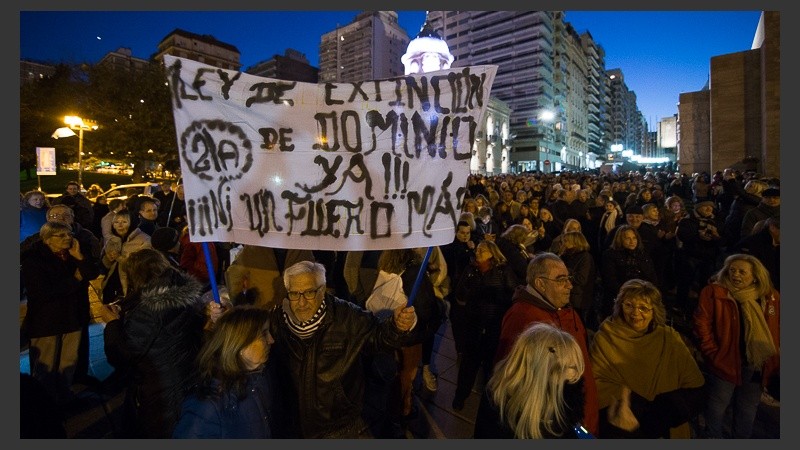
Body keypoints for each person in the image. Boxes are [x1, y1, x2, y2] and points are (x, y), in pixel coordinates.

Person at [257, 260, 418, 438]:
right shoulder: (275, 321)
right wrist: (220, 317)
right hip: (292, 427)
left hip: (340, 428)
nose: (301, 302)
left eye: (309, 292)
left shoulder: (348, 317)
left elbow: (379, 337)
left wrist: (397, 326)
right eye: (294, 293)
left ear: (323, 288)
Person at [98, 248, 208, 438]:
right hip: (186, 378)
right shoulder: (181, 291)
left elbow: (124, 354)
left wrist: (113, 323)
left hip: (163, 390)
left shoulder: (149, 309)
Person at [494, 252, 599, 436]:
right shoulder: (524, 319)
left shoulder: (565, 311)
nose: (570, 285)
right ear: (540, 283)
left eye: (569, 278)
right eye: (561, 280)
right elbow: (515, 383)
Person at [590, 279, 705, 438]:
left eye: (643, 308)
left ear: (654, 311)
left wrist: (660, 413)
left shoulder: (669, 338)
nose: (635, 313)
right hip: (623, 427)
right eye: (629, 305)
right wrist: (634, 404)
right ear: (619, 305)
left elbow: (694, 384)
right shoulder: (605, 337)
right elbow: (596, 381)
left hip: (665, 426)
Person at [693, 254, 780, 439]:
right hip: (725, 361)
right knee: (717, 406)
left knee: (747, 408)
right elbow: (702, 323)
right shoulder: (714, 292)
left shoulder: (770, 296)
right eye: (732, 270)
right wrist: (711, 352)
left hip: (756, 363)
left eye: (742, 271)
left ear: (755, 275)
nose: (736, 275)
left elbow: (778, 326)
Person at [172, 305, 285, 438]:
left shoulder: (260, 377)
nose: (271, 340)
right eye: (263, 334)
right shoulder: (207, 407)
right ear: (240, 344)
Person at [21, 221, 101, 407]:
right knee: (46, 367)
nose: (68, 238)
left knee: (68, 364)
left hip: (73, 318)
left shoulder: (73, 252)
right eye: (61, 236)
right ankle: (45, 406)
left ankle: (66, 400)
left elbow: (92, 273)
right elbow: (42, 293)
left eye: (69, 234)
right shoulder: (33, 260)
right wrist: (74, 280)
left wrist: (80, 257)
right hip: (46, 323)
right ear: (47, 239)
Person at [474, 323, 588, 439]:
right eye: (572, 367)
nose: (578, 374)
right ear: (546, 373)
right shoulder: (555, 422)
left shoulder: (496, 392)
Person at [451, 240, 519, 411]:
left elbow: (513, 295)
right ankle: (460, 396)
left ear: (493, 252)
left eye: (483, 248)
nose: (479, 250)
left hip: (494, 325)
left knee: (491, 365)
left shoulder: (503, 270)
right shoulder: (471, 269)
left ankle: (489, 402)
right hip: (474, 323)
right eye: (478, 248)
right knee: (468, 364)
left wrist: (495, 296)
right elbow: (459, 294)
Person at [224, 244, 315, 309]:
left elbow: (314, 275)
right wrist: (240, 303)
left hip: (293, 314)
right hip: (263, 313)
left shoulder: (302, 247)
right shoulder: (254, 247)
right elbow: (234, 273)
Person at [599, 225, 658, 321]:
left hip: (642, 298)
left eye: (634, 238)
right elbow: (610, 280)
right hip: (619, 299)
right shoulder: (610, 255)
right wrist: (628, 296)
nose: (632, 241)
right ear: (620, 239)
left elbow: (652, 276)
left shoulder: (643, 254)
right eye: (628, 238)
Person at [100, 209, 152, 304]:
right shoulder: (112, 240)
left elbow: (141, 266)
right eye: (116, 222)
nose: (120, 225)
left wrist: (119, 258)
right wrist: (108, 259)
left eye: (124, 222)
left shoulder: (144, 240)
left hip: (131, 288)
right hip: (111, 285)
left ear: (132, 223)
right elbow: (104, 266)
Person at [554, 231, 597, 330]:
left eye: (566, 241)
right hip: (566, 297)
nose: (563, 243)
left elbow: (582, 279)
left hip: (578, 299)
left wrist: (565, 272)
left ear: (575, 242)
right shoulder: (564, 255)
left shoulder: (585, 257)